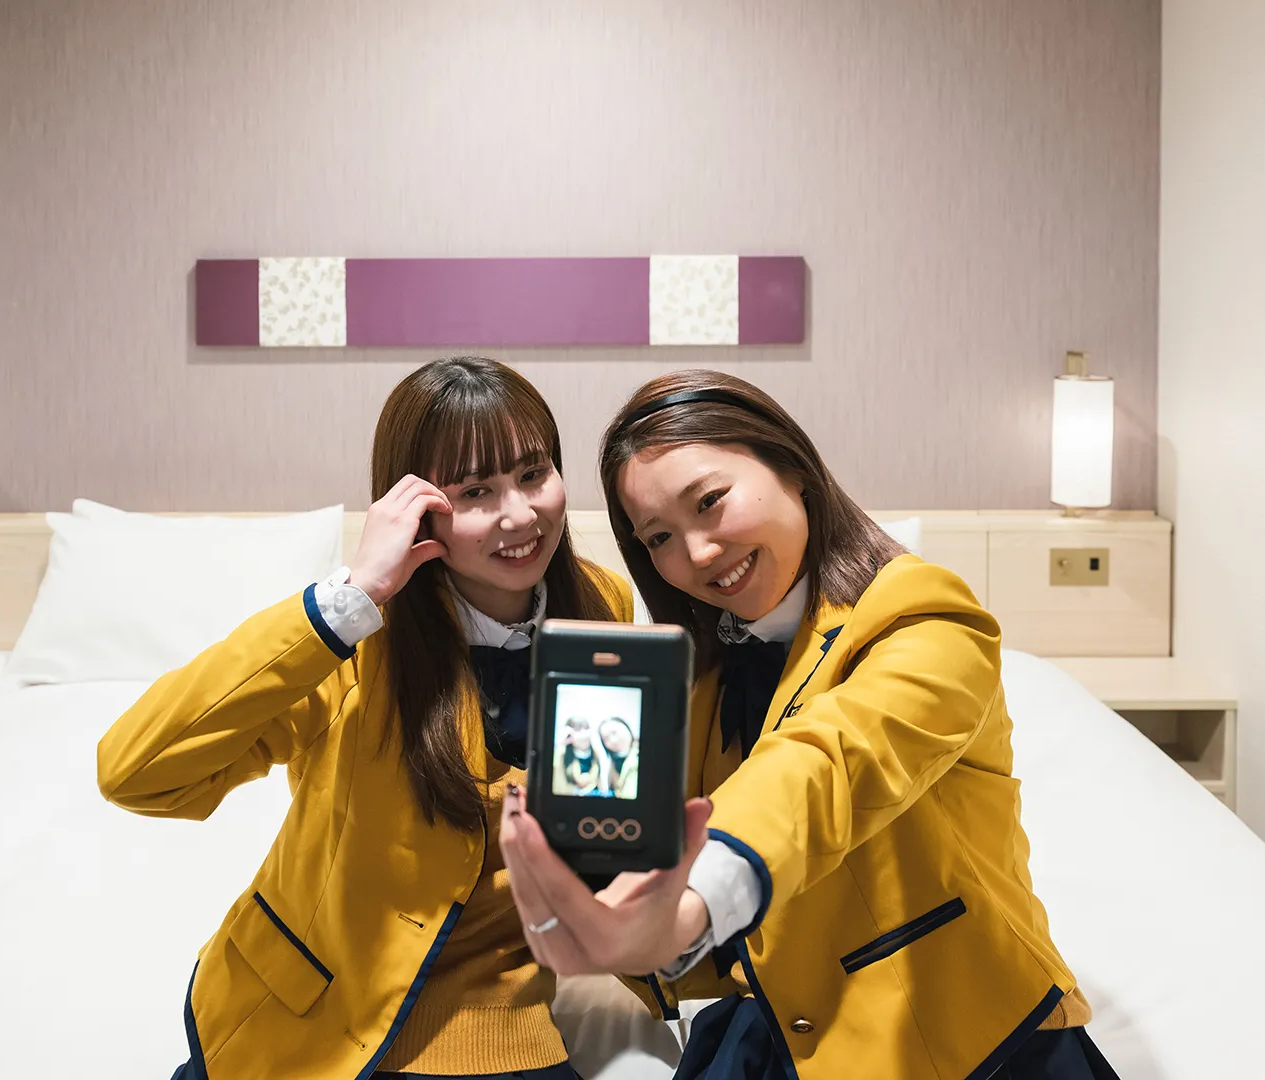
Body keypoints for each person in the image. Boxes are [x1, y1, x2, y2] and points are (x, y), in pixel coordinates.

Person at [499, 370, 1117, 1079]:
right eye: (660, 537)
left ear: (792, 467)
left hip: (963, 1039)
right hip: (771, 1034)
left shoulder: (925, 613)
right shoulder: (705, 683)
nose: (697, 554)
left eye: (710, 501)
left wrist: (696, 898)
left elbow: (830, 763)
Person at [97, 357, 634, 1080]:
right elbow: (135, 774)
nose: (519, 515)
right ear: (414, 509)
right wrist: (346, 599)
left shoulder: (601, 607)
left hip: (493, 1019)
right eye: (475, 491)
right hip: (310, 1013)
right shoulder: (354, 640)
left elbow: (605, 823)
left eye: (534, 474)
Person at [597, 718, 639, 800]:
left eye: (614, 732)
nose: (613, 740)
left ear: (626, 728)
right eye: (606, 738)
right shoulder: (611, 764)